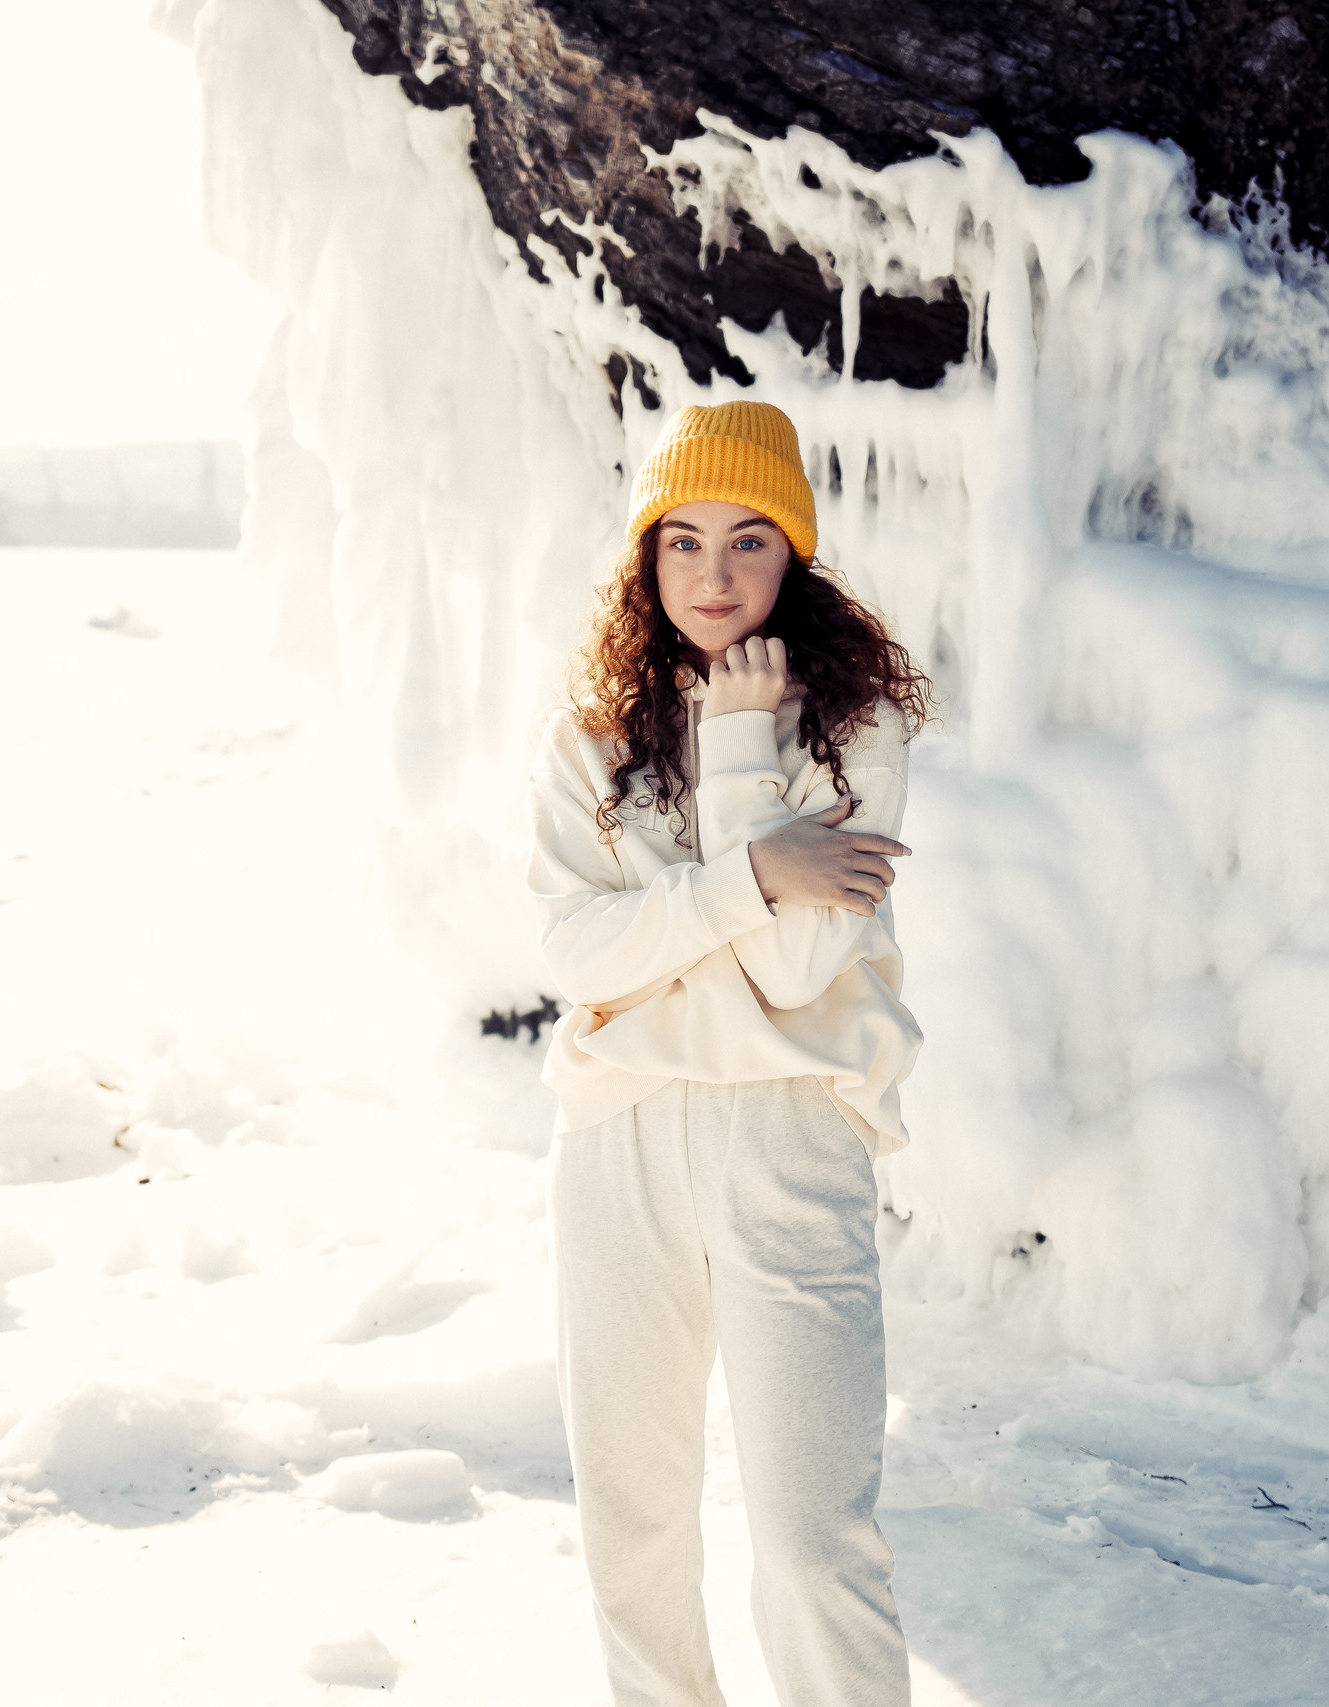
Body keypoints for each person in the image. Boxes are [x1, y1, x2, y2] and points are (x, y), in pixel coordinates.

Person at [528, 400, 931, 1707]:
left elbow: (799, 973)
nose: (714, 574)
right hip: (620, 1144)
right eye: (684, 540)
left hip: (792, 1140)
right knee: (631, 1525)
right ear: (645, 560)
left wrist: (744, 753)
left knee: (815, 1544)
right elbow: (577, 962)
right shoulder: (591, 734)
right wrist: (760, 868)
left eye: (751, 540)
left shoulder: (855, 724)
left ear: (793, 557)